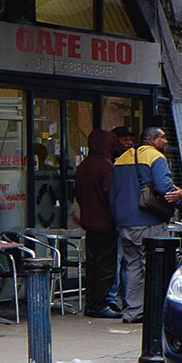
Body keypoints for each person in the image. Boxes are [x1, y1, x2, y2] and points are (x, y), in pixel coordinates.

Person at [110, 126, 182, 323]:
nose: (166, 141)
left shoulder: (121, 159)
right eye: (162, 137)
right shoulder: (155, 157)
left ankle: (134, 311)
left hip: (125, 223)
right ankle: (157, 313)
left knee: (132, 266)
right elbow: (163, 187)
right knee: (156, 266)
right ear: (151, 139)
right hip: (148, 221)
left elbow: (112, 193)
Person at [72, 129, 121, 319]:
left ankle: (92, 302)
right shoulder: (105, 166)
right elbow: (111, 195)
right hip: (105, 223)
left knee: (92, 265)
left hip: (89, 222)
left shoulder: (83, 166)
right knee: (105, 266)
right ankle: (100, 304)